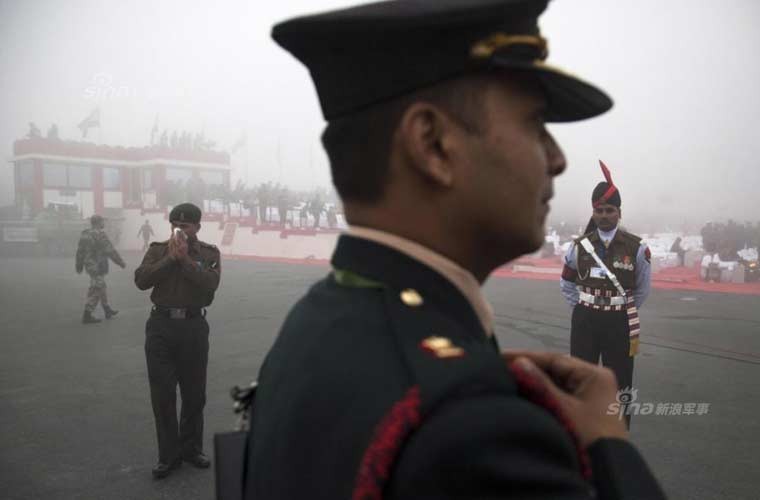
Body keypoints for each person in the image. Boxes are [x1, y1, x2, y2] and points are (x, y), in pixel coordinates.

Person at [244, 1, 666, 499]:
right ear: (433, 144)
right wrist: (608, 447)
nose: (557, 159)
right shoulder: (476, 427)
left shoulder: (316, 321)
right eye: (535, 124)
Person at [560, 161, 652, 427]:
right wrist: (582, 307)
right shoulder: (578, 247)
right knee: (580, 378)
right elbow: (566, 283)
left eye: (609, 210)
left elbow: (642, 288)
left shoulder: (637, 248)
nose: (603, 215)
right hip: (585, 320)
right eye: (599, 210)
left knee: (619, 382)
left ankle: (618, 435)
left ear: (619, 213)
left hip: (619, 323)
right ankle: (579, 431)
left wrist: (618, 308)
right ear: (593, 211)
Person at [134, 203, 221, 479]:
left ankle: (191, 449)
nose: (179, 230)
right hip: (160, 327)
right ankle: (168, 456)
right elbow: (141, 280)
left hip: (193, 327)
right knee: (163, 395)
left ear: (197, 227)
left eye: (185, 226)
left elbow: (210, 285)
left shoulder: (209, 253)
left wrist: (184, 260)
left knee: (194, 394)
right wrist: (171, 259)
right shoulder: (158, 250)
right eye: (175, 224)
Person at [75, 214, 125, 324]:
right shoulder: (100, 235)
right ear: (98, 223)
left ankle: (107, 309)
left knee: (101, 285)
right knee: (97, 287)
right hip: (97, 265)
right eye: (103, 221)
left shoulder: (85, 234)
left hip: (90, 265)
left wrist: (79, 265)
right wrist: (120, 262)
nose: (104, 223)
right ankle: (87, 314)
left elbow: (80, 251)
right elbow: (110, 250)